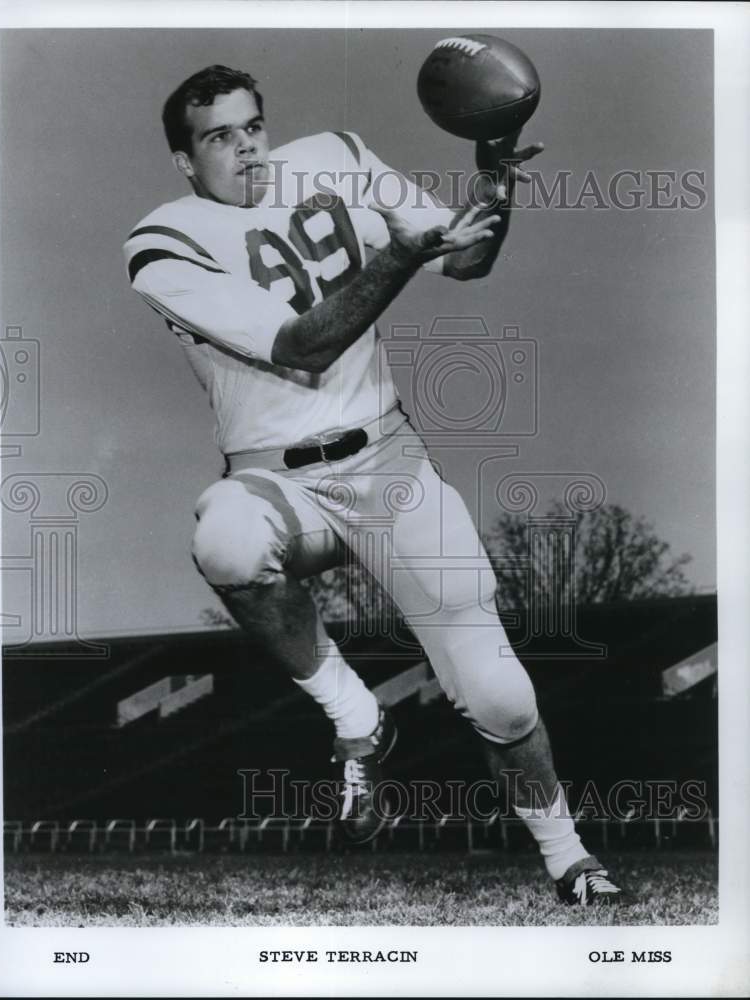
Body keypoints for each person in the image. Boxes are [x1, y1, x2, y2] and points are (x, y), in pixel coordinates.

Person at [124, 63, 622, 905]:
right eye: (218, 137)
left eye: (253, 126)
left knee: (498, 697)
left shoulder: (335, 156)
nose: (246, 148)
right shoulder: (162, 242)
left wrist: (493, 180)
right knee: (226, 538)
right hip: (278, 483)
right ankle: (356, 717)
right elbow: (300, 346)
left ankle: (571, 859)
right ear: (183, 160)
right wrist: (398, 252)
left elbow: (467, 260)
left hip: (387, 462)